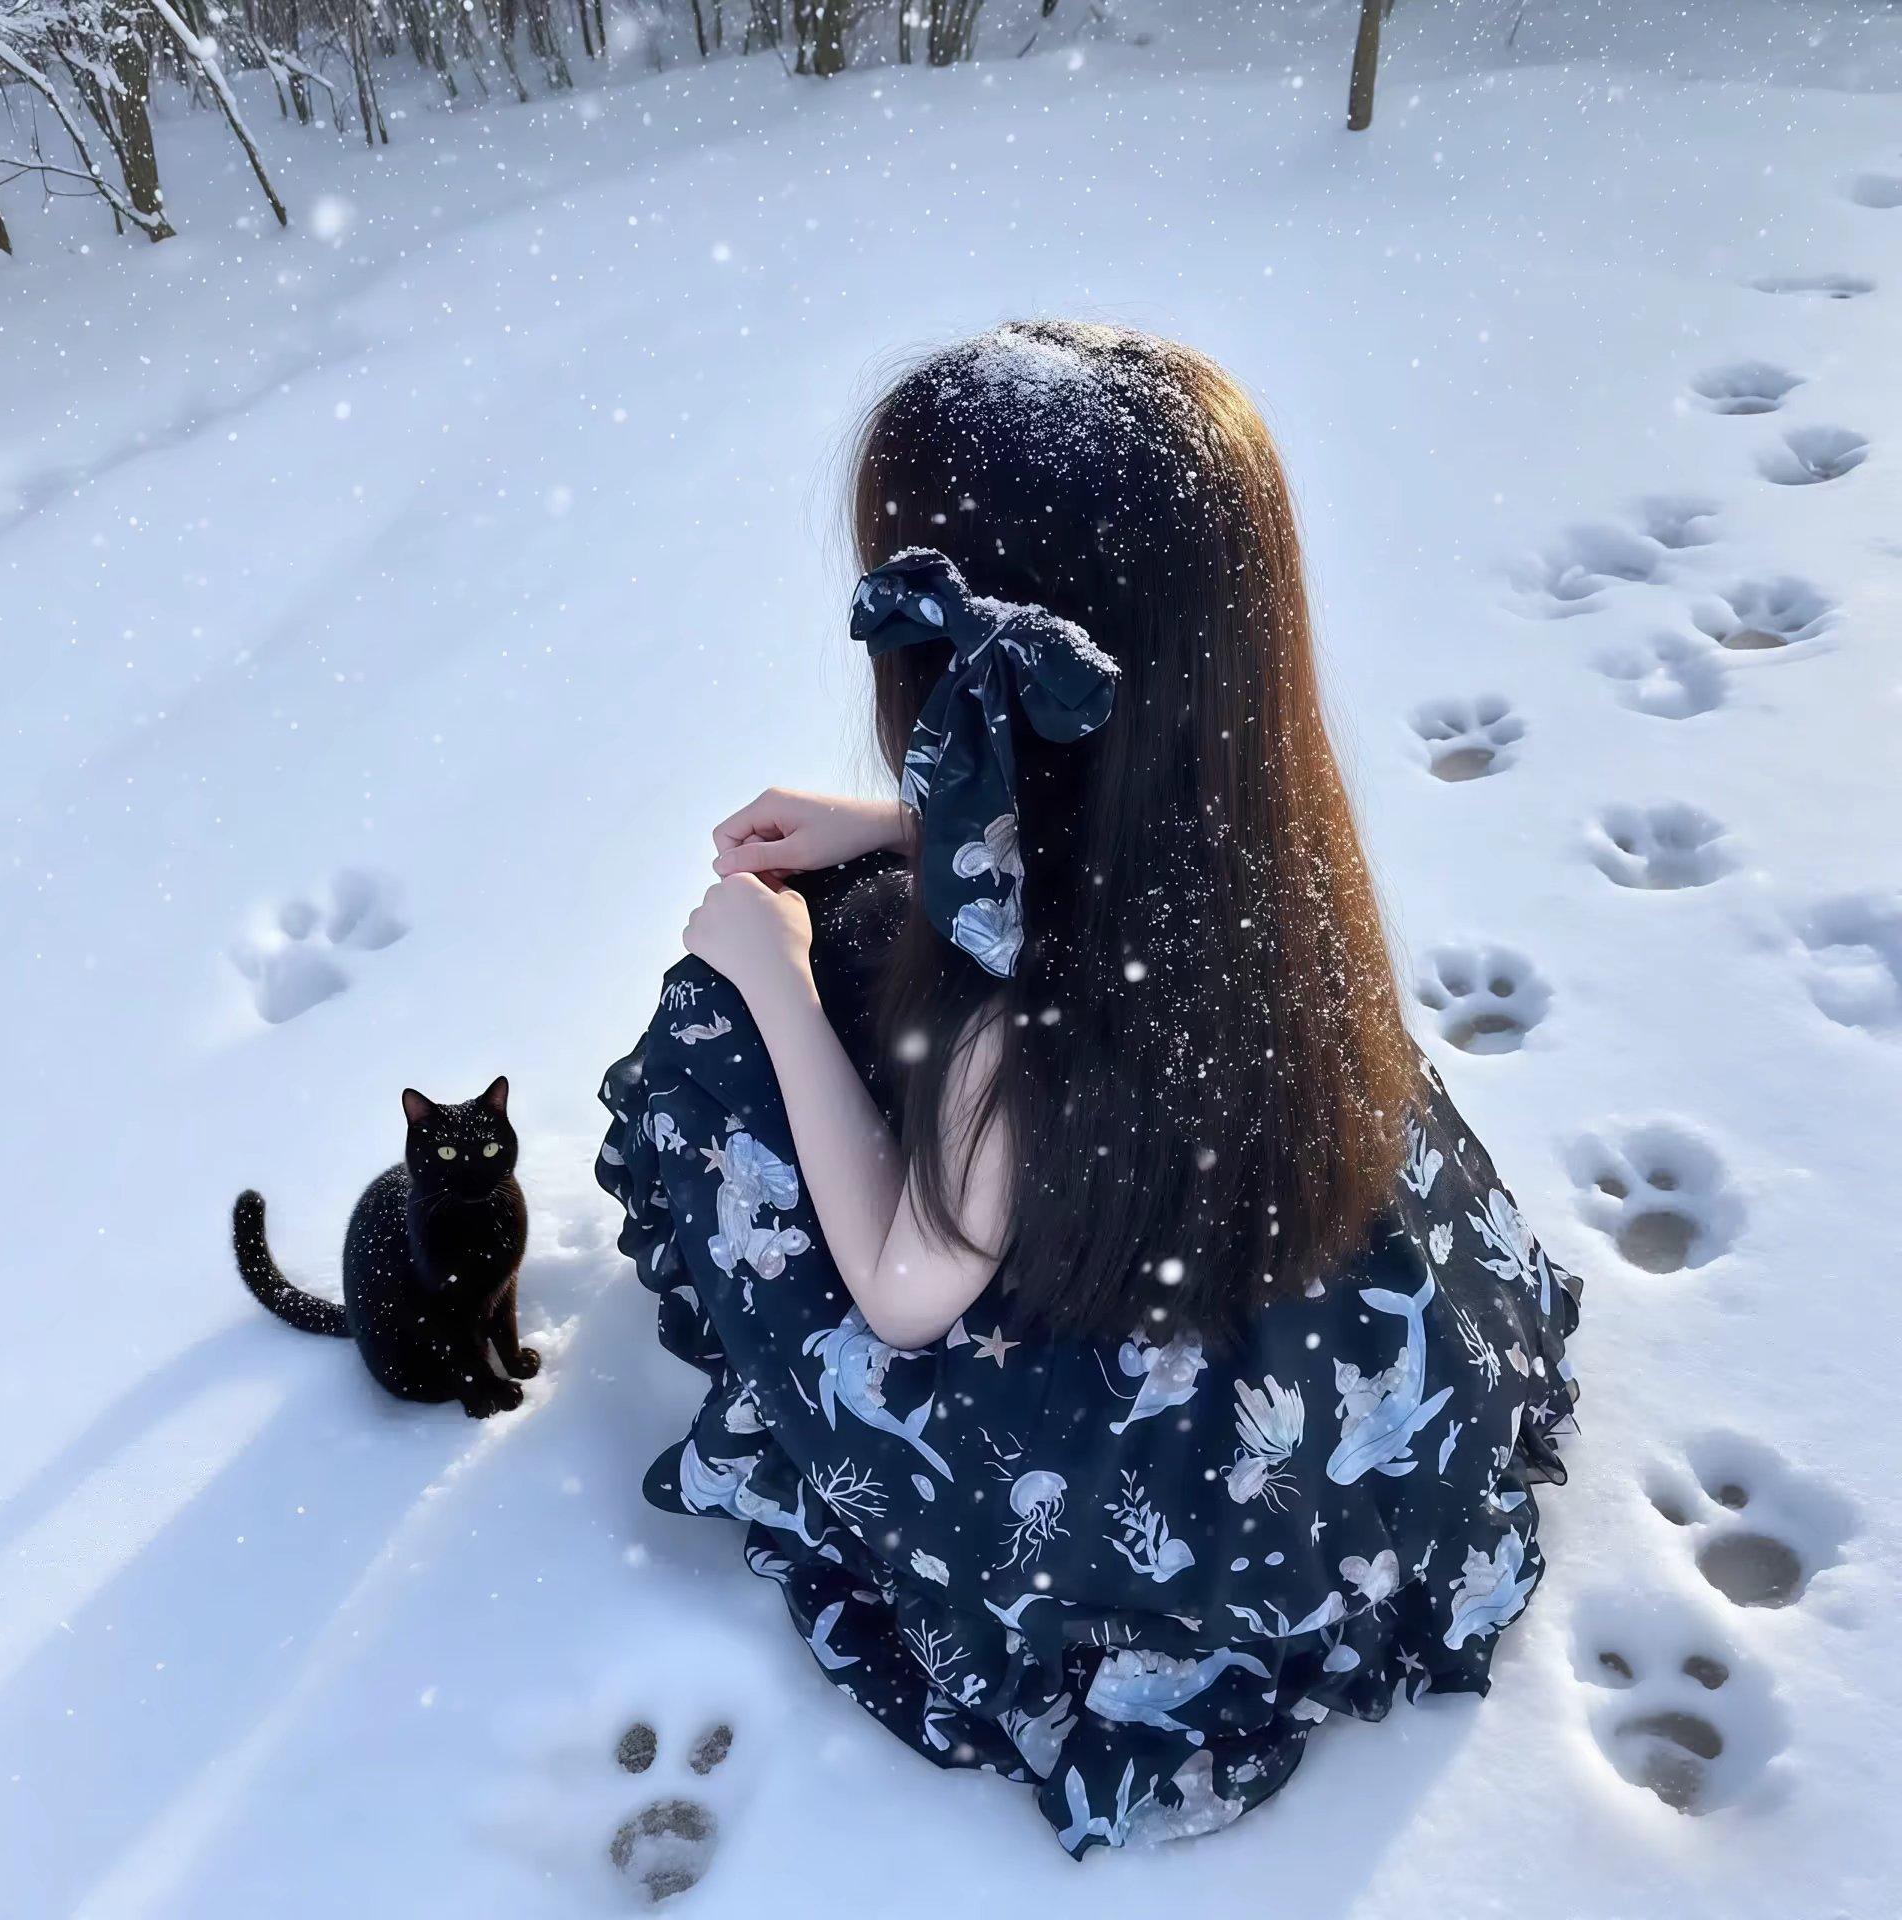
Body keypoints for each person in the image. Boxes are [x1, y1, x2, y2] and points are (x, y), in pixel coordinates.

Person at [595, 321, 1580, 1856]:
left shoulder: (1013, 1031)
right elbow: (1101, 824)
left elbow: (902, 1295)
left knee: (722, 1043)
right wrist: (897, 829)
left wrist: (770, 980)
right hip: (1289, 1290)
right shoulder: (1252, 845)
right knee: (865, 952)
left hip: (1126, 1450)